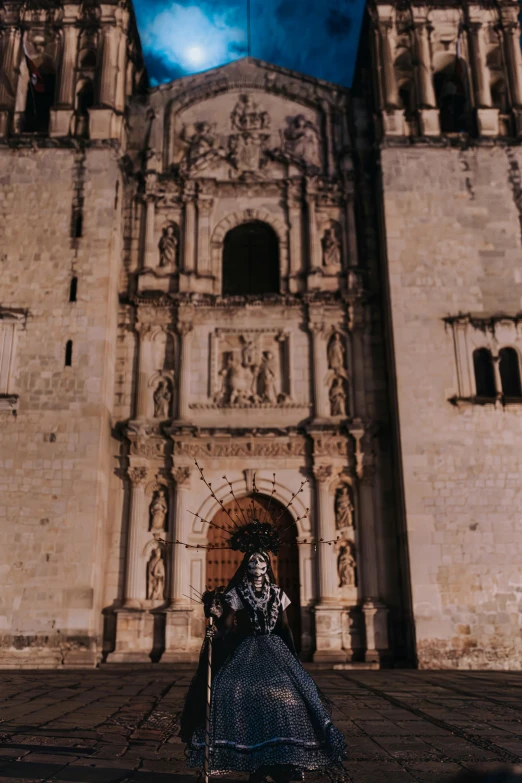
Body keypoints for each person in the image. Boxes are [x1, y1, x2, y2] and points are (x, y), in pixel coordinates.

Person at [183, 541, 346, 783]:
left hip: (276, 651)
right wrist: (214, 620)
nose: (257, 564)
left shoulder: (278, 593)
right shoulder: (236, 594)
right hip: (246, 651)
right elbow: (227, 627)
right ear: (245, 565)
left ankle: (283, 760)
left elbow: (285, 627)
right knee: (234, 692)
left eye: (261, 560)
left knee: (294, 696)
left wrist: (293, 658)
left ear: (268, 565)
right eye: (252, 560)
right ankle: (257, 761)